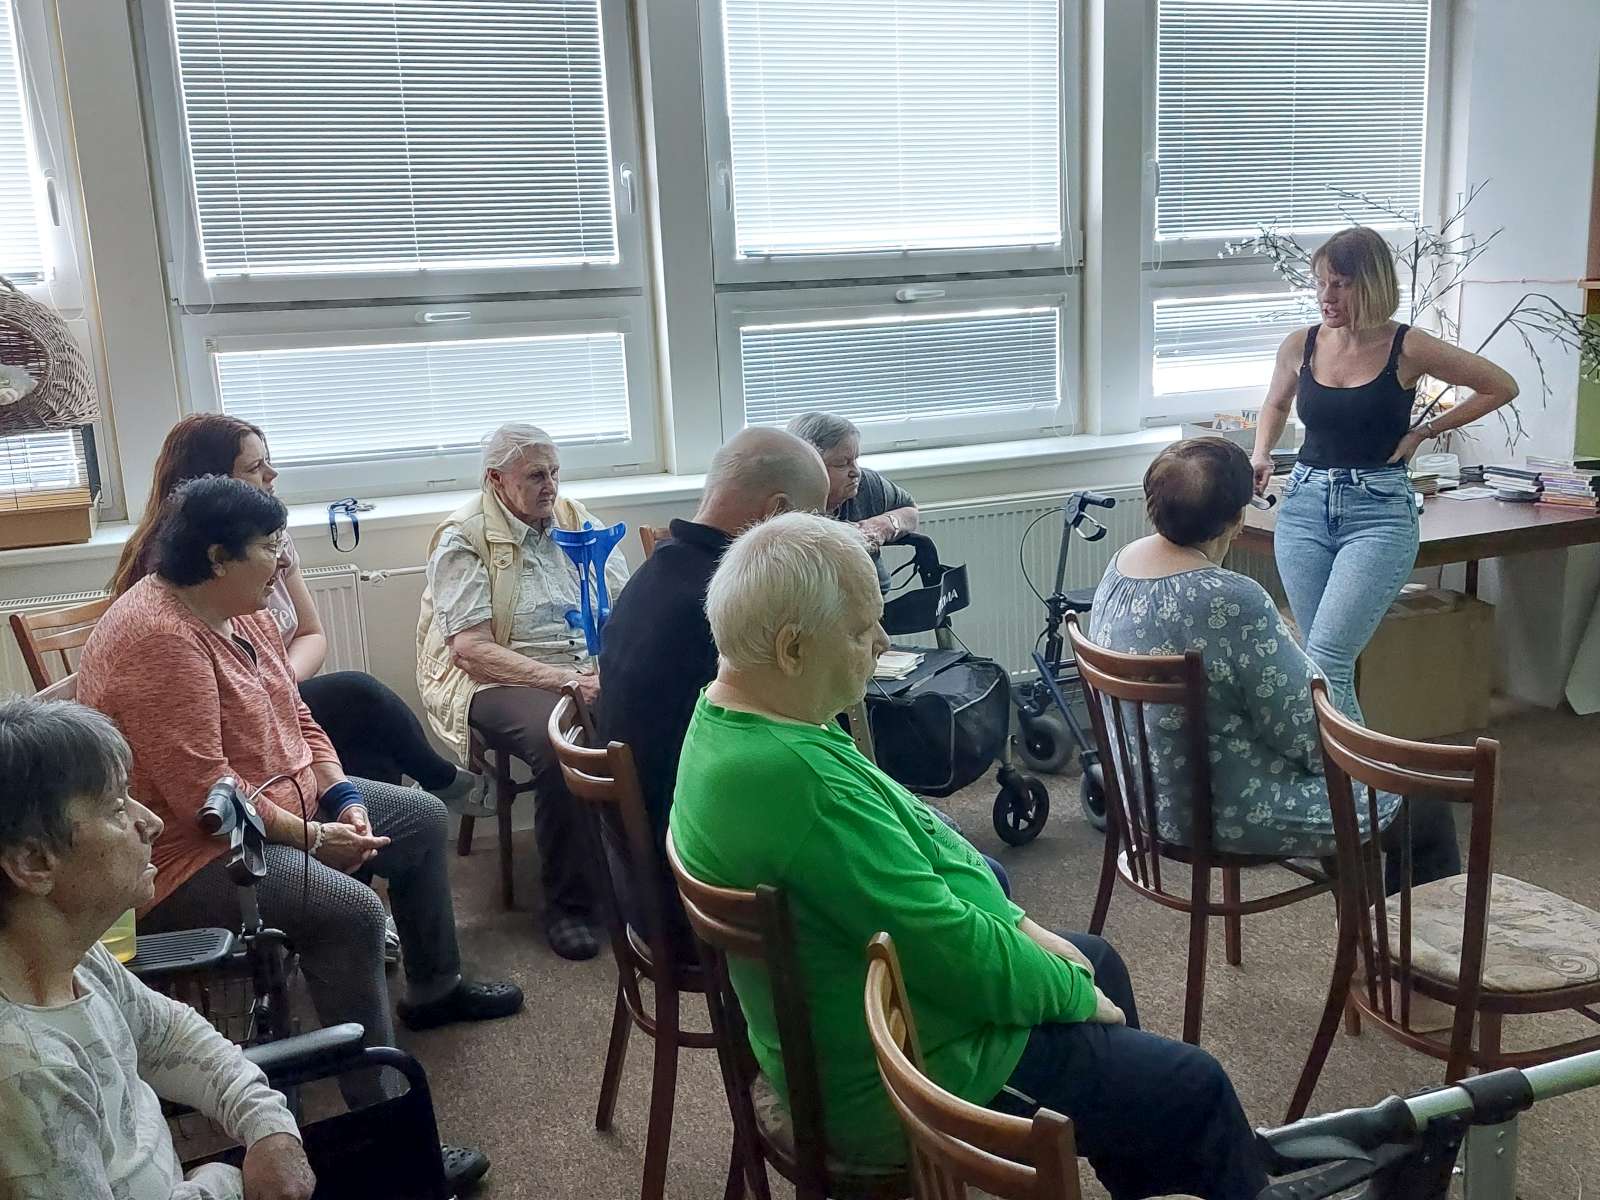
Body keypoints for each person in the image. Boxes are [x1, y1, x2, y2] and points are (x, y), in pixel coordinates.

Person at [670, 512, 1266, 1199]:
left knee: (1098, 959)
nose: (882, 642)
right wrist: (1070, 990)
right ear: (792, 649)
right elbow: (950, 950)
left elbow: (921, 832)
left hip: (866, 1023)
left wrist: (1023, 927)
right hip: (900, 1080)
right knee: (1195, 1087)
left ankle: (1139, 1153)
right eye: (862, 631)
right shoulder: (797, 783)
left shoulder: (735, 715)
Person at [80, 477, 517, 1192]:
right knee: (350, 911)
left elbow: (301, 720)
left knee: (419, 819)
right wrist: (316, 839)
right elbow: (208, 803)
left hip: (282, 804)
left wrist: (343, 797)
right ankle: (385, 1137)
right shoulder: (160, 640)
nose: (283, 560)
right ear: (217, 557)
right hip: (187, 857)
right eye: (269, 545)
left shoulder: (238, 610)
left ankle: (435, 989)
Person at [1089, 437, 1460, 890]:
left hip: (1142, 798)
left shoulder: (1121, 567)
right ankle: (1393, 936)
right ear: (1237, 518)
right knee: (1422, 800)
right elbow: (1309, 732)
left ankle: (1365, 920)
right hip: (1224, 813)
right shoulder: (1232, 600)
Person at [0, 695, 314, 1200]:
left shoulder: (76, 957)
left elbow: (169, 1037)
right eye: (117, 808)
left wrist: (266, 1122)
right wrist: (223, 1182)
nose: (151, 822)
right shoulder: (25, 1073)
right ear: (34, 863)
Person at [110, 413, 488, 817]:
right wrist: (265, 691)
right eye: (255, 467)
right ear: (213, 484)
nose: (272, 475)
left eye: (268, 461)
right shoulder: (178, 570)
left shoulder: (275, 542)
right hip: (231, 721)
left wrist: (278, 682)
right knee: (358, 695)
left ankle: (370, 830)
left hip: (278, 691)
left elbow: (312, 633)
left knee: (371, 754)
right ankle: (435, 784)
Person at [1250, 226, 1518, 721]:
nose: (1326, 296)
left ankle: (1352, 773)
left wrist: (1425, 432)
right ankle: (1343, 767)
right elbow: (1275, 402)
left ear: (1371, 285)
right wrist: (1261, 453)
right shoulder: (1300, 345)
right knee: (1317, 661)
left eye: (1340, 284)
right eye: (1320, 283)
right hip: (1304, 506)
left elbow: (1499, 385)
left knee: (1326, 659)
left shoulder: (1408, 346)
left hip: (1377, 512)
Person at [417, 423, 629, 960]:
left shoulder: (578, 520)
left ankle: (639, 874)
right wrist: (566, 682)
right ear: (496, 479)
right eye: (536, 475)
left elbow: (621, 605)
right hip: (496, 675)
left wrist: (615, 668)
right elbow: (470, 649)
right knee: (561, 741)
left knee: (657, 713)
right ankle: (568, 905)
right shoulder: (463, 537)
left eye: (554, 472)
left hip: (585, 667)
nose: (550, 486)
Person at [786, 412, 919, 593]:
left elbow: (910, 511)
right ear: (808, 467)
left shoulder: (866, 484)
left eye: (856, 459)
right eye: (842, 464)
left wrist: (885, 525)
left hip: (873, 597)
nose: (856, 472)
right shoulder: (785, 503)